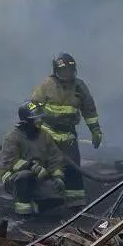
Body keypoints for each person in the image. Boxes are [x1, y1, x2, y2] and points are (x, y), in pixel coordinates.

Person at [30, 52, 102, 188]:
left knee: (73, 172)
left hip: (69, 136)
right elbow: (32, 104)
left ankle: (76, 203)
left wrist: (95, 130)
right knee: (41, 168)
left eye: (70, 70)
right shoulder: (47, 84)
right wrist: (34, 121)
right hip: (47, 134)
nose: (67, 74)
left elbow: (89, 110)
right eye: (64, 70)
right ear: (57, 71)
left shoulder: (79, 86)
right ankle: (42, 197)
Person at [0, 101, 83, 215]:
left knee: (57, 198)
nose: (40, 121)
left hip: (40, 178)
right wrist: (33, 167)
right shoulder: (12, 137)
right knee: (25, 177)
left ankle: (41, 204)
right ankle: (24, 212)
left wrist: (57, 176)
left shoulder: (45, 136)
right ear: (26, 121)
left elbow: (56, 157)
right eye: (36, 119)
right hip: (16, 179)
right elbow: (11, 162)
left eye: (40, 118)